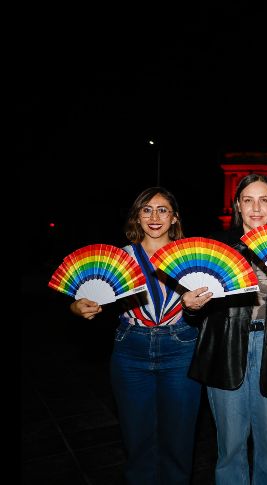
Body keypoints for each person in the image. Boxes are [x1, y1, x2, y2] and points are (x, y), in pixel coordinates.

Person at [69, 187, 201, 485]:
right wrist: (79, 307)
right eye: (147, 210)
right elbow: (84, 297)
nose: (154, 217)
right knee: (137, 439)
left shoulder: (192, 256)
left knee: (179, 441)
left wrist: (198, 305)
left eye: (163, 209)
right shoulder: (118, 258)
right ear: (137, 217)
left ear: (174, 218)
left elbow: (210, 302)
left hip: (180, 347)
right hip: (131, 348)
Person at [182, 174, 267, 485]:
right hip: (224, 350)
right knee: (230, 447)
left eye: (264, 200)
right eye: (248, 200)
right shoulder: (215, 247)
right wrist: (191, 306)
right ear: (237, 205)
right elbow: (200, 308)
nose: (256, 207)